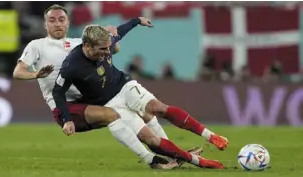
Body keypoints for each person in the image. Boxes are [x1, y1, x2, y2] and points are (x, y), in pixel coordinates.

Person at [13, 4, 201, 169]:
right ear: (45, 24)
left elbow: (113, 49)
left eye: (61, 19)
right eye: (52, 20)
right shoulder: (37, 45)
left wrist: (108, 37)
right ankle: (152, 160)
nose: (57, 24)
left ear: (68, 22)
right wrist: (35, 74)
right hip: (67, 106)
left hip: (93, 98)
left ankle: (173, 154)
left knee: (144, 112)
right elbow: (18, 72)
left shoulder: (81, 43)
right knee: (113, 116)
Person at [53, 18, 226, 169]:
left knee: (157, 108)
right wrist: (67, 119)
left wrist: (137, 20)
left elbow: (119, 32)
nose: (108, 52)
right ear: (87, 46)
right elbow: (58, 91)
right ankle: (197, 161)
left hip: (124, 85)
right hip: (108, 104)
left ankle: (211, 136)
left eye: (108, 48)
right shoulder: (71, 66)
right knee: (150, 139)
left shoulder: (105, 42)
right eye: (103, 49)